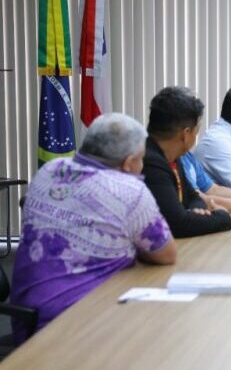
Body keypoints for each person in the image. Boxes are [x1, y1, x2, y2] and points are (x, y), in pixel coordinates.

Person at [10, 113, 176, 342]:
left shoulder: (49, 170)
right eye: (141, 159)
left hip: (24, 317)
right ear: (128, 163)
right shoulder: (129, 190)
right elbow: (166, 254)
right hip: (77, 323)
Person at [143, 86, 231, 238]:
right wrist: (222, 217)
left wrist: (197, 209)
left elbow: (192, 197)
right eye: (196, 132)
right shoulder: (150, 163)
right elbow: (178, 224)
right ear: (186, 134)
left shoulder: (173, 156)